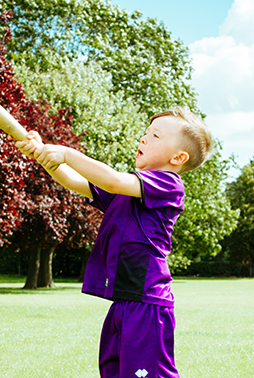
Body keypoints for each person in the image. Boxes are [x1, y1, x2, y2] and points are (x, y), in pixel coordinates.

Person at [11, 106, 213, 378]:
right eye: (145, 132)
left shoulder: (169, 184)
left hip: (147, 302)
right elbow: (75, 182)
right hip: (124, 301)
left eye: (155, 136)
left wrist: (66, 152)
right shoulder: (129, 192)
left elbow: (112, 179)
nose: (143, 138)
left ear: (178, 157)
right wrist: (45, 156)